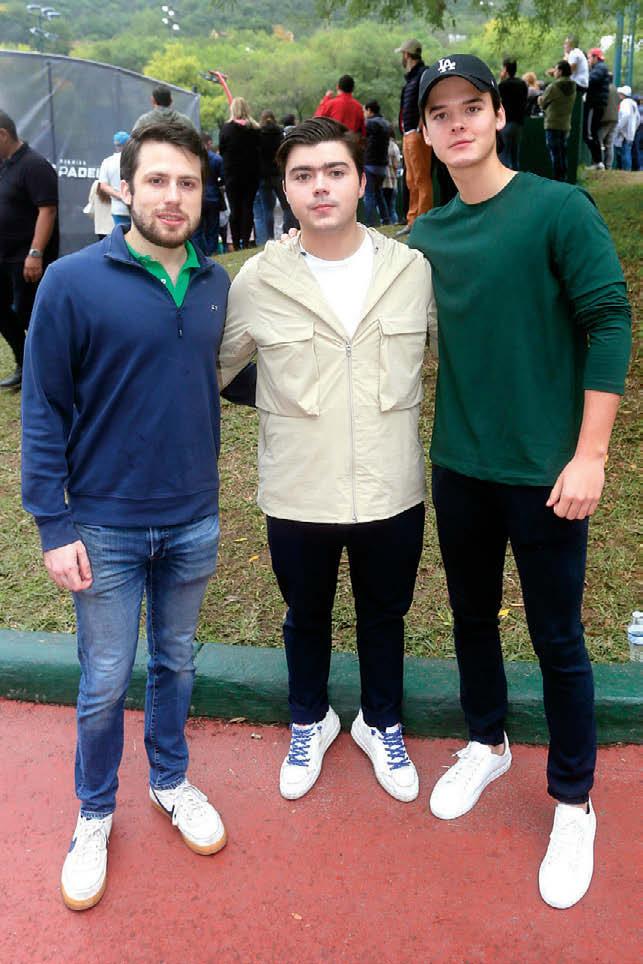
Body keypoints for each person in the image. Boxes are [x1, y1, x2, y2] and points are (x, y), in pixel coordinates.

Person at [411, 54, 631, 910]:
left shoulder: (557, 209)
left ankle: (573, 800)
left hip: (546, 472)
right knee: (469, 617)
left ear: (498, 115)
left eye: (471, 106)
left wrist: (591, 455)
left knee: (556, 637)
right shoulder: (425, 238)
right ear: (424, 133)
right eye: (439, 114)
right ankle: (486, 741)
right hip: (460, 465)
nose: (457, 122)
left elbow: (608, 321)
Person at [21, 120, 255, 912]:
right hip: (103, 527)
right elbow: (43, 409)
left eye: (187, 183)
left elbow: (219, 375)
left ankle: (170, 779)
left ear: (203, 192)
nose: (172, 197)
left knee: (178, 663)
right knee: (103, 681)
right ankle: (93, 813)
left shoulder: (217, 282)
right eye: (156, 180)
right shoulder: (71, 282)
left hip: (192, 519)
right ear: (124, 188)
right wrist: (53, 526)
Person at [217, 117, 436, 805]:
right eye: (303, 175)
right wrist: (281, 396)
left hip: (390, 486)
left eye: (334, 172)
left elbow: (447, 353)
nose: (320, 187)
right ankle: (309, 719)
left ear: (360, 181)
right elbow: (218, 368)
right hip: (299, 489)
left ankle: (381, 721)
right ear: (284, 190)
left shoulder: (410, 271)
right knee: (304, 614)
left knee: (385, 613)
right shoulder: (260, 278)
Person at [0, 109, 58, 390]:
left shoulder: (34, 165)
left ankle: (49, 371)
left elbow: (47, 210)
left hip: (26, 259)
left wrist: (35, 253)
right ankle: (25, 364)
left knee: (31, 316)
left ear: (3, 134)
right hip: (3, 256)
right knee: (3, 313)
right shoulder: (5, 165)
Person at [396, 38, 432, 234]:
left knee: (421, 178)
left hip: (416, 134)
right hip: (408, 133)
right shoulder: (411, 78)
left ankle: (423, 222)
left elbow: (427, 101)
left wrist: (420, 127)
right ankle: (412, 221)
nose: (402, 58)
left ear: (407, 54)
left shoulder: (423, 74)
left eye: (403, 54)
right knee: (411, 179)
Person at [218, 97, 261, 250]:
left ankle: (236, 243)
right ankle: (247, 241)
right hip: (251, 175)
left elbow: (222, 151)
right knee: (248, 208)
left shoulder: (226, 129)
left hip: (232, 175)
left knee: (235, 209)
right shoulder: (255, 129)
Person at [253, 109, 289, 246]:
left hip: (264, 176)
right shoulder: (280, 133)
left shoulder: (258, 135)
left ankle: (269, 237)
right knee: (286, 206)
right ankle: (287, 231)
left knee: (267, 209)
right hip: (278, 173)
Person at [539, 60, 576, 181]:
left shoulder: (553, 87)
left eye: (555, 70)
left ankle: (557, 179)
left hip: (552, 124)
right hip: (565, 125)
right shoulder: (573, 86)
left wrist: (539, 98)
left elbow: (543, 103)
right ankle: (563, 179)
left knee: (554, 154)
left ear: (560, 71)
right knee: (562, 153)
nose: (554, 72)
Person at [192, 132, 224, 255]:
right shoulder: (216, 159)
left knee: (197, 229)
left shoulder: (193, 159)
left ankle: (200, 253)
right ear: (209, 143)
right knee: (213, 228)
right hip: (213, 196)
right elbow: (222, 178)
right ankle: (212, 252)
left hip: (197, 197)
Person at [363, 100, 391, 226]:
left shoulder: (369, 123)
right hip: (383, 165)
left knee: (368, 194)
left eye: (365, 110)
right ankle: (386, 219)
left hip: (370, 163)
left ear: (369, 110)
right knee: (379, 193)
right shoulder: (386, 124)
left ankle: (371, 223)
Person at [498, 58, 528, 170]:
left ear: (505, 69)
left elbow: (494, 97)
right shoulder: (522, 84)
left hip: (506, 123)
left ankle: (505, 180)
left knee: (504, 156)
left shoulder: (503, 85)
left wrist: (501, 79)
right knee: (514, 157)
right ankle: (516, 179)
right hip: (519, 123)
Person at [98, 131, 131, 230]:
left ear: (116, 145)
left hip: (118, 209)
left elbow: (103, 186)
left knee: (121, 235)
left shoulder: (108, 162)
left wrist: (120, 196)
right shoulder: (136, 160)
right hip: (136, 208)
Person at [584, 48, 610, 168]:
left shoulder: (600, 68)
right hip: (597, 104)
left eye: (589, 58)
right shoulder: (600, 68)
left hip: (595, 104)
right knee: (593, 132)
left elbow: (590, 80)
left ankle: (598, 161)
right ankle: (598, 161)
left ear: (595, 57)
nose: (588, 61)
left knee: (590, 133)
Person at [614, 86, 640, 172]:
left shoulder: (624, 103)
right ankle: (626, 170)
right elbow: (638, 119)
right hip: (630, 132)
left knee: (624, 153)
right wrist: (634, 129)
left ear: (623, 95)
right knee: (627, 152)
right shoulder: (633, 103)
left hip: (623, 133)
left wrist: (618, 127)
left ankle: (625, 171)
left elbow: (625, 115)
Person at [597, 78, 619, 169]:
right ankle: (608, 166)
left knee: (598, 141)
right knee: (609, 144)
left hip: (605, 118)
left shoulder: (604, 88)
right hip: (614, 118)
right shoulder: (614, 88)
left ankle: (599, 163)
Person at [383, 126, 402, 224]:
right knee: (392, 207)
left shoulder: (380, 145)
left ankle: (385, 223)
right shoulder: (394, 146)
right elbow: (397, 164)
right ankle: (394, 222)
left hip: (383, 181)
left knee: (383, 206)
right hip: (393, 180)